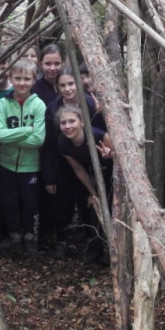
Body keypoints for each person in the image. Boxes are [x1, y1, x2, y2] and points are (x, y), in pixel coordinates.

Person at [42, 69, 100, 257]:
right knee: (62, 202)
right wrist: (49, 175)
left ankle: (92, 242)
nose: (67, 89)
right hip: (62, 160)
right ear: (57, 87)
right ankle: (62, 241)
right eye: (63, 85)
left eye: (71, 84)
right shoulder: (53, 108)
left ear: (79, 83)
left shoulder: (90, 103)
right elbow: (49, 143)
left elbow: (101, 132)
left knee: (88, 201)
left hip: (89, 160)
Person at [0, 59, 46, 257]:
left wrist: (11, 137)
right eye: (18, 78)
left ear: (34, 80)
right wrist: (27, 130)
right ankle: (14, 237)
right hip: (6, 164)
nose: (22, 83)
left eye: (26, 79)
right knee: (9, 202)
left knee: (31, 204)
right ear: (10, 78)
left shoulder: (38, 105)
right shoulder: (3, 103)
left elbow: (38, 140)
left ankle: (31, 238)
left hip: (30, 166)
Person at [56, 104, 114, 262]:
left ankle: (113, 250)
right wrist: (93, 193)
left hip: (111, 174)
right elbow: (79, 169)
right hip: (93, 175)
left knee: (111, 209)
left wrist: (110, 155)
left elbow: (120, 156)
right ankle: (96, 247)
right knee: (92, 207)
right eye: (63, 123)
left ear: (82, 122)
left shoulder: (98, 135)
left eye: (72, 121)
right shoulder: (63, 144)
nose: (67, 126)